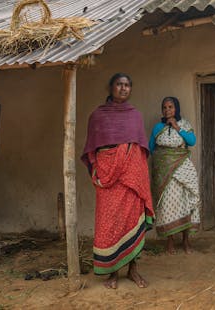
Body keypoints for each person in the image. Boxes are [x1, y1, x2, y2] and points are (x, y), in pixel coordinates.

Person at [81, 73, 154, 289]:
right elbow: (91, 150)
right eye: (119, 85)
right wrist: (97, 171)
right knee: (110, 223)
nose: (123, 89)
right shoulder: (98, 116)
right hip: (107, 178)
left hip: (132, 178)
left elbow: (140, 150)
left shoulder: (135, 116)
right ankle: (112, 272)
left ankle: (133, 270)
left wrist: (138, 175)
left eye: (127, 85)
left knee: (132, 221)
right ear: (111, 87)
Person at [149, 96, 200, 254]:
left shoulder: (184, 124)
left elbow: (191, 142)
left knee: (185, 202)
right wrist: (163, 162)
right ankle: (170, 241)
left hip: (182, 169)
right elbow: (151, 148)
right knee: (166, 205)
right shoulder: (158, 127)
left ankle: (186, 241)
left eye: (170, 107)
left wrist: (177, 127)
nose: (167, 110)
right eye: (164, 107)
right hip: (165, 173)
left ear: (176, 108)